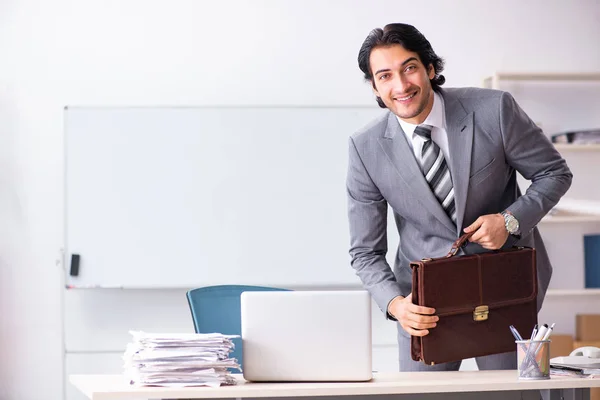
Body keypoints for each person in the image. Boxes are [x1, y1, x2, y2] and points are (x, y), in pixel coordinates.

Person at [346, 23, 573, 371]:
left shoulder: (494, 110)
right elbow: (365, 251)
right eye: (385, 76)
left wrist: (510, 220)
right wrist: (395, 304)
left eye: (409, 68)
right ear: (375, 86)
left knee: (510, 398)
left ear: (430, 69)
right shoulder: (365, 148)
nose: (401, 85)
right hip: (424, 308)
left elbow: (554, 173)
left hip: (505, 291)